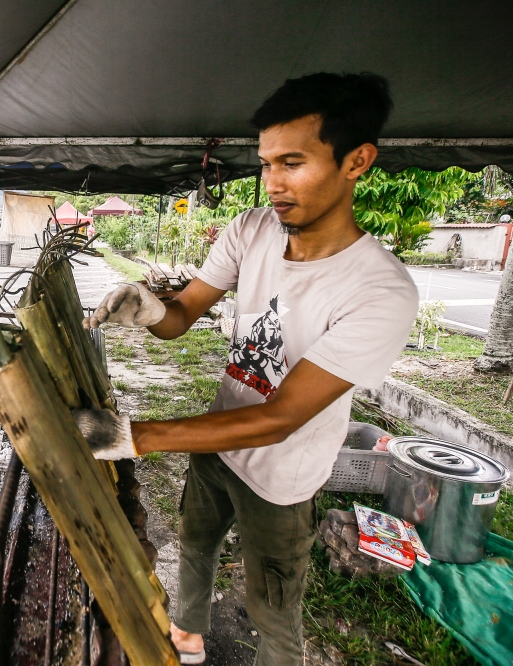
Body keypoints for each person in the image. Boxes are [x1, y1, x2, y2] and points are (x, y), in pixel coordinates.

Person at [77, 73, 418, 665]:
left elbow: (281, 418)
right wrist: (149, 307)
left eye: (293, 162)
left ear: (357, 160)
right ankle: (187, 637)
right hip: (217, 441)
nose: (274, 184)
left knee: (273, 606)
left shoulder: (380, 291)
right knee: (194, 543)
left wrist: (139, 436)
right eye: (265, 164)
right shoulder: (252, 230)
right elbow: (182, 315)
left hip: (284, 478)